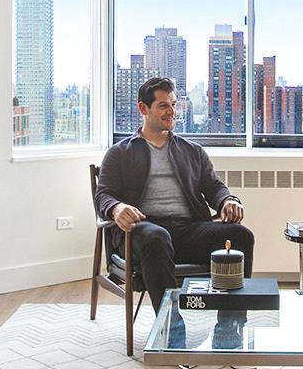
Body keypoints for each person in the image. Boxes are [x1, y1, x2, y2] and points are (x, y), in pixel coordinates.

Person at [94, 77, 253, 312]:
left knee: (240, 235)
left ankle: (233, 319)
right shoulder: (119, 153)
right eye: (163, 105)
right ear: (143, 108)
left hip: (188, 230)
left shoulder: (192, 151)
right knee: (157, 237)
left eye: (174, 104)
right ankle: (171, 327)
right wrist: (117, 208)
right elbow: (103, 195)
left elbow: (213, 187)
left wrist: (228, 200)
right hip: (142, 232)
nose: (172, 112)